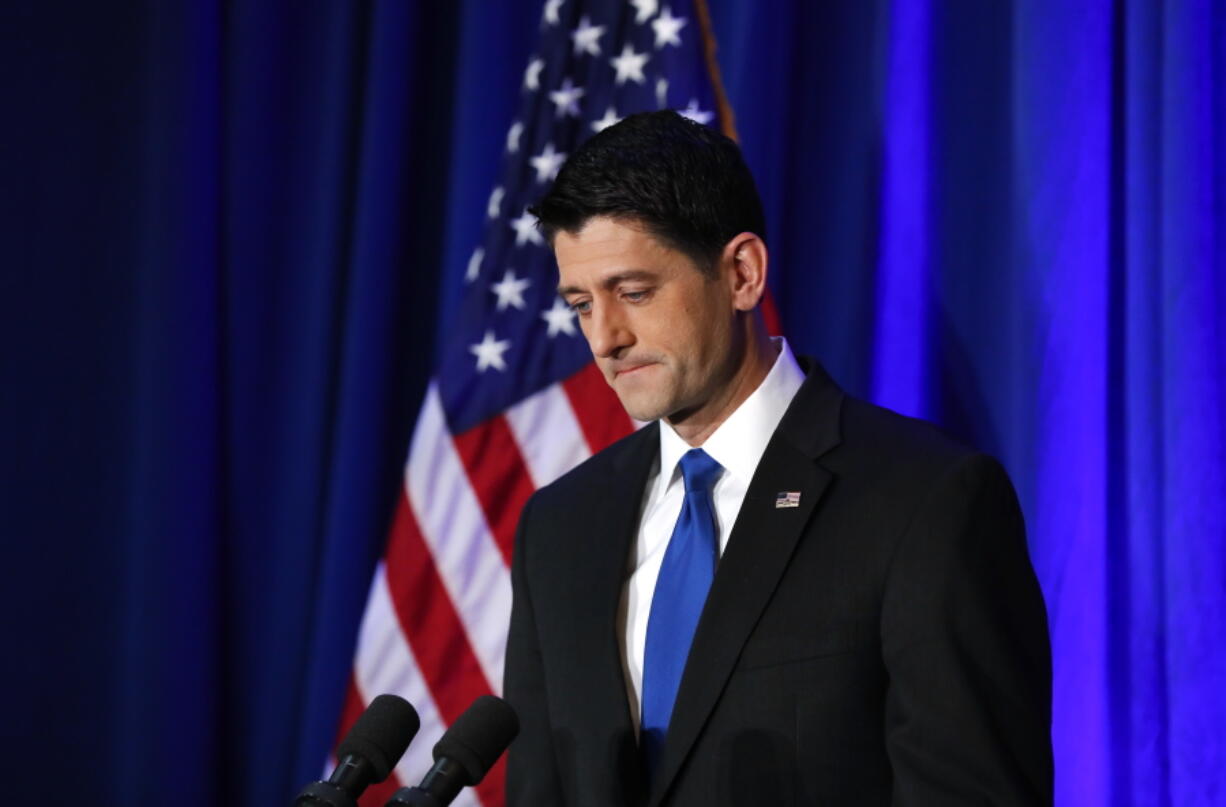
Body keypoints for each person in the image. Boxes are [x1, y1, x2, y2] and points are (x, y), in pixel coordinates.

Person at [504, 110, 1053, 807]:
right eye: (581, 304)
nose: (606, 337)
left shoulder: (924, 500)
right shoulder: (559, 527)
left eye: (634, 292)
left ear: (741, 274)